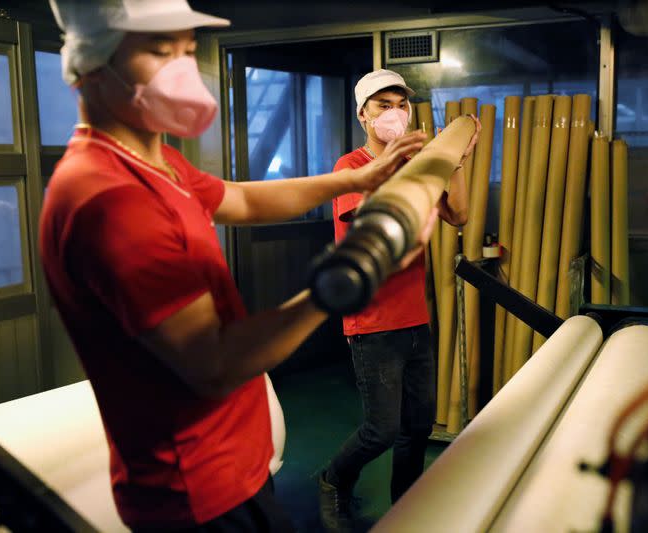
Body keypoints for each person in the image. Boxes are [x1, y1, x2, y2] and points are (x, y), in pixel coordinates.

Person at [39, 1, 427, 530]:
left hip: (235, 463)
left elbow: (241, 199)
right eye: (160, 50)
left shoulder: (155, 159)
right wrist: (352, 273)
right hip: (196, 488)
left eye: (187, 49)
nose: (183, 68)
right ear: (94, 66)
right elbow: (214, 362)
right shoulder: (108, 197)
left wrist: (357, 179)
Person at [319, 70, 480, 532]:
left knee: (417, 429)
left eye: (401, 104)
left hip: (415, 319)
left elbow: (460, 214)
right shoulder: (349, 167)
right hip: (371, 322)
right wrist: (420, 165)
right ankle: (333, 481)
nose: (395, 113)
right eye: (382, 105)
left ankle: (408, 510)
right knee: (381, 430)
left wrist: (456, 162)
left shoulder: (420, 163)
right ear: (363, 115)